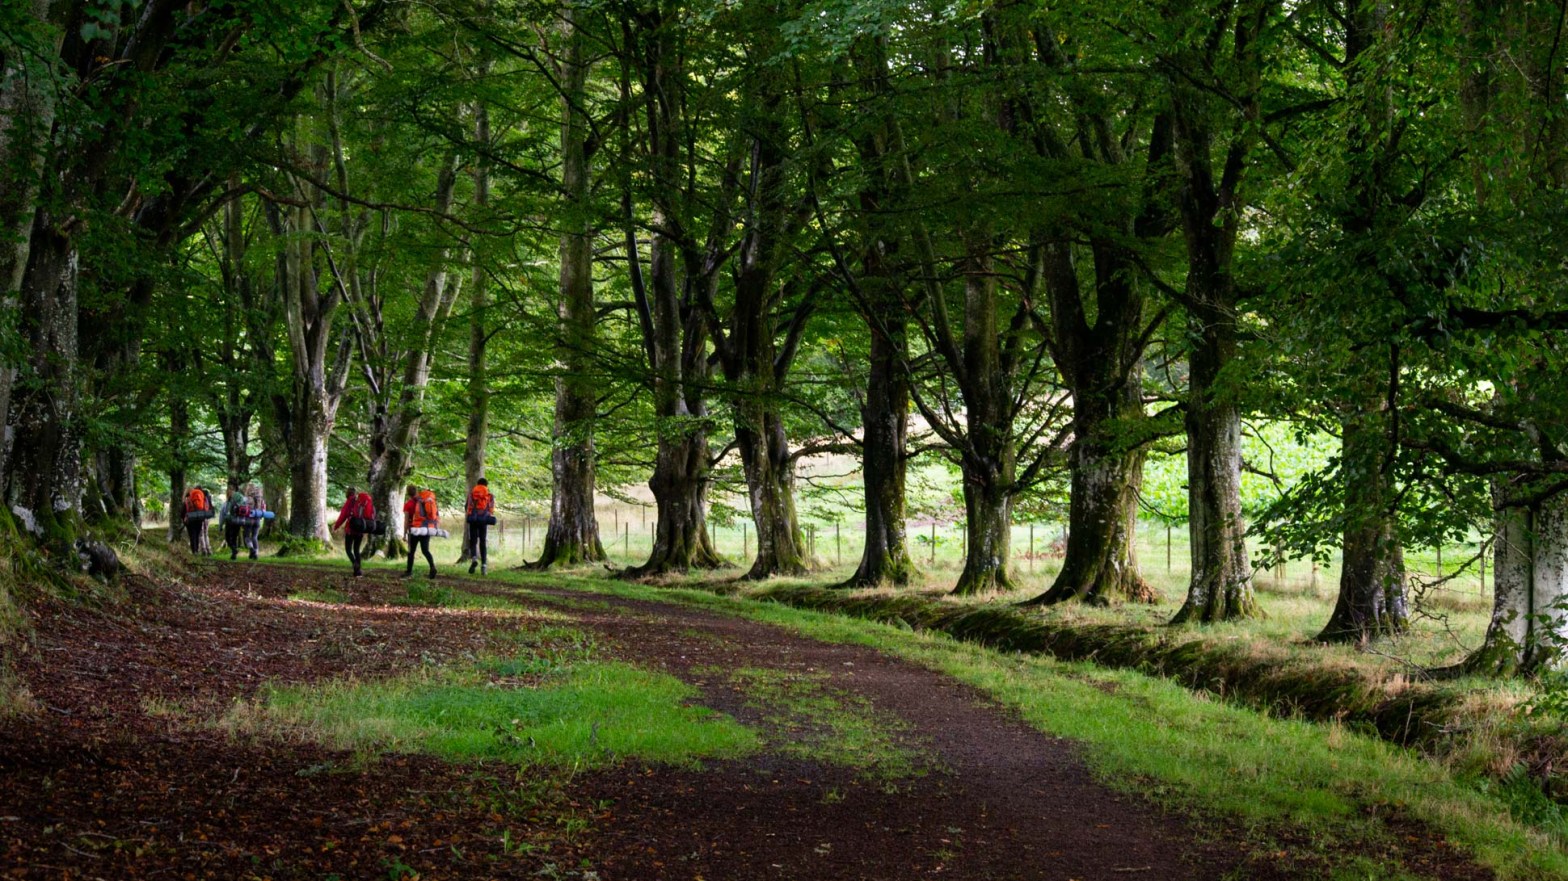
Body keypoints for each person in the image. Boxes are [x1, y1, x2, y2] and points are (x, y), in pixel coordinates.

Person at [331, 486, 375, 577]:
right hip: (360, 529)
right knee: (356, 550)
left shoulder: (350, 501)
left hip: (351, 529)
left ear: (347, 494)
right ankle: (358, 572)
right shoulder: (361, 501)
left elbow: (343, 515)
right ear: (355, 493)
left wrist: (336, 526)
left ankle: (355, 564)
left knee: (348, 549)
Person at [403, 483, 438, 579]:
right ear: (416, 491)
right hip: (425, 529)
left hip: (414, 530)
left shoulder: (408, 504)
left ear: (408, 493)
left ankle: (409, 571)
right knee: (425, 550)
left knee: (411, 552)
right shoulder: (423, 501)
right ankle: (432, 567)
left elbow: (406, 520)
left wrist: (404, 533)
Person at [465, 478, 495, 575]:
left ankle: (474, 558)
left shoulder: (472, 494)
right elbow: (491, 509)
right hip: (483, 520)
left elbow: (467, 507)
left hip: (473, 520)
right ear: (486, 485)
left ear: (477, 484)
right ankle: (484, 566)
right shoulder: (489, 495)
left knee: (473, 541)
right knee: (483, 542)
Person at [182, 485, 211, 554]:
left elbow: (182, 512)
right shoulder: (200, 497)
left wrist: (184, 520)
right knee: (197, 534)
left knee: (192, 535)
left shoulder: (187, 499)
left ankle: (194, 551)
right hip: (199, 518)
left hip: (190, 519)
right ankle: (198, 550)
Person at [241, 483, 266, 559]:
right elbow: (264, 510)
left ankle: (251, 549)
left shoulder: (246, 498)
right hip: (257, 519)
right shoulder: (261, 499)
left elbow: (242, 509)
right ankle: (256, 554)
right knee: (254, 537)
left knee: (246, 536)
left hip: (248, 519)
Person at [221, 488, 247, 560]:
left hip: (231, 521)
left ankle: (234, 550)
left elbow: (225, 514)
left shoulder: (230, 501)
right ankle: (234, 554)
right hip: (239, 521)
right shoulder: (242, 499)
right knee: (234, 537)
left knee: (228, 537)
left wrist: (221, 525)